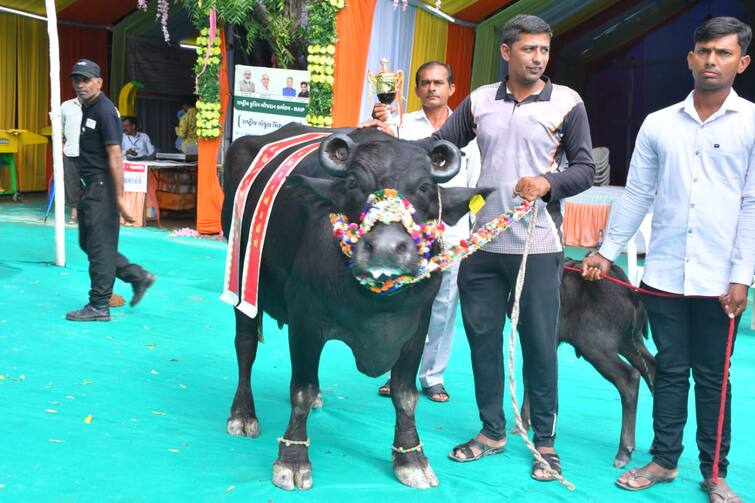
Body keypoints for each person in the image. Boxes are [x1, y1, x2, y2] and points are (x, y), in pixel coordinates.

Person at [365, 14, 595, 479]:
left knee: (538, 344)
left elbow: (587, 169)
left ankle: (545, 443)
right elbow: (436, 146)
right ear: (506, 52)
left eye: (544, 50)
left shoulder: (567, 103)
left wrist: (550, 182)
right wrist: (392, 140)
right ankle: (492, 431)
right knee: (483, 341)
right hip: (482, 245)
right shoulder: (480, 101)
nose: (538, 58)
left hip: (538, 245)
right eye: (529, 49)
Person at [582, 17, 753, 502]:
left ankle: (715, 474)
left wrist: (741, 277)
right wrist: (605, 251)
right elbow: (637, 194)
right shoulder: (659, 124)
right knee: (670, 369)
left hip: (721, 280)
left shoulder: (753, 124)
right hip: (663, 273)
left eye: (723, 53)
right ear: (689, 58)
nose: (711, 61)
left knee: (713, 376)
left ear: (742, 62)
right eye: (704, 51)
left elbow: (752, 204)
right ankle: (663, 460)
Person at [374, 61, 480, 403]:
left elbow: (475, 188)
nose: (432, 88)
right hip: (407, 234)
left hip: (453, 234)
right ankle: (396, 372)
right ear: (416, 90)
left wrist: (472, 228)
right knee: (401, 302)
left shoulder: (471, 135)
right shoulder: (401, 126)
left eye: (439, 82)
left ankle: (433, 376)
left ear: (452, 89)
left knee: (444, 306)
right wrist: (382, 126)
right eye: (425, 83)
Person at [65, 59, 156, 322]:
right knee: (88, 243)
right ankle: (138, 277)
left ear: (99, 82)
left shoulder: (104, 111)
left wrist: (119, 197)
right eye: (76, 79)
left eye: (86, 79)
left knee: (100, 247)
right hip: (90, 188)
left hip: (102, 188)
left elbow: (116, 156)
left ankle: (99, 306)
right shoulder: (89, 108)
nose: (80, 84)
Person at [61, 96, 82, 224]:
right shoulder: (66, 106)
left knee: (95, 184)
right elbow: (59, 128)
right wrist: (61, 145)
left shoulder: (103, 105)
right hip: (71, 151)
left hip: (94, 155)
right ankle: (74, 214)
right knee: (71, 184)